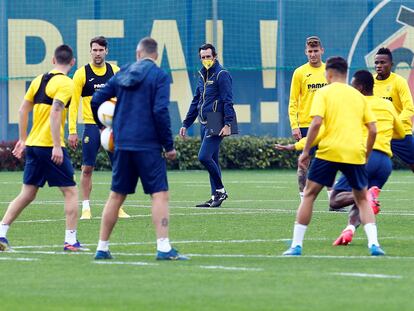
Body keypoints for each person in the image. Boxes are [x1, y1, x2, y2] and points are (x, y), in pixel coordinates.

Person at [90, 37, 188, 260]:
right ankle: (163, 248)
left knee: (116, 196)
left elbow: (97, 99)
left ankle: (102, 248)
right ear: (155, 56)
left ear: (138, 54)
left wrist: (106, 126)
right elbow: (160, 111)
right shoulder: (159, 75)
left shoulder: (123, 72)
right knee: (159, 194)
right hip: (148, 145)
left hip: (122, 144)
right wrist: (169, 146)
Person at [282, 56, 385, 256]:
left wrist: (305, 152)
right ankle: (374, 244)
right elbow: (373, 129)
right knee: (363, 199)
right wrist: (366, 154)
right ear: (346, 74)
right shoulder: (358, 96)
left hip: (329, 151)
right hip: (354, 152)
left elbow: (317, 123)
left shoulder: (323, 93)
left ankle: (296, 245)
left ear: (328, 74)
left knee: (309, 195)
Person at [0, 45, 86, 252]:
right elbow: (56, 112)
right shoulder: (66, 83)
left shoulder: (39, 79)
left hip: (34, 145)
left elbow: (22, 110)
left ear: (53, 60)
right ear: (72, 63)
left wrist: (22, 139)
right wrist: (57, 145)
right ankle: (71, 241)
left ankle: (1, 234)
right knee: (71, 192)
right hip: (49, 146)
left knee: (28, 193)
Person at [330, 70, 405, 245]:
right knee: (361, 201)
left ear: (361, 88)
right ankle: (349, 230)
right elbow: (401, 133)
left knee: (335, 199)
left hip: (364, 158)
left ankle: (368, 195)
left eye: (353, 86)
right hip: (385, 164)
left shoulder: (356, 104)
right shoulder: (387, 105)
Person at [68, 36, 130, 220]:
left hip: (112, 128)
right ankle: (86, 207)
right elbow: (73, 105)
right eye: (94, 50)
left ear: (106, 51)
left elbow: (125, 99)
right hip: (91, 127)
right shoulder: (81, 74)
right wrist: (72, 130)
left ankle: (118, 207)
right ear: (90, 51)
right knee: (87, 168)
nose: (97, 53)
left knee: (119, 167)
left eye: (100, 50)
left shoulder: (115, 72)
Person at [179, 43, 235, 208]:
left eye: (208, 56)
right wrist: (186, 123)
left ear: (215, 56)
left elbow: (228, 100)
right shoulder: (202, 75)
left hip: (217, 120)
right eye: (203, 57)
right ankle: (214, 196)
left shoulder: (222, 74)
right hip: (204, 121)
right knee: (213, 160)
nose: (206, 60)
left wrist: (228, 124)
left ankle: (220, 190)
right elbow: (196, 100)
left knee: (203, 157)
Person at [288, 36, 330, 202]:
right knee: (304, 161)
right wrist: (294, 125)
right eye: (310, 51)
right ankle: (303, 198)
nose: (313, 54)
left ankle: (333, 200)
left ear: (322, 51)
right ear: (306, 52)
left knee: (329, 162)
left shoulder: (329, 71)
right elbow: (293, 101)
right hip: (306, 124)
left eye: (316, 51)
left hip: (327, 125)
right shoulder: (299, 72)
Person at [373, 47, 414, 172]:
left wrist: (393, 123)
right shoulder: (370, 81)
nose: (379, 65)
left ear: (391, 64)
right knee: (363, 164)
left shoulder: (399, 82)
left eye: (382, 62)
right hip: (378, 133)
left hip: (400, 133)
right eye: (376, 63)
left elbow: (409, 108)